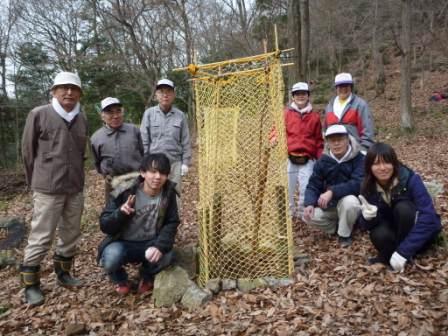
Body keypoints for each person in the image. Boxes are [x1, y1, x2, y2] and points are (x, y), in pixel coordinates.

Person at [20, 71, 88, 306]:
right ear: (54, 91)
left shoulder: (82, 117)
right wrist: (35, 182)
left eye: (74, 88)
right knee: (41, 236)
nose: (69, 92)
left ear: (79, 93)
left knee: (70, 233)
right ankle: (31, 284)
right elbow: (28, 152)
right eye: (64, 88)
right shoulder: (39, 114)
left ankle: (64, 274)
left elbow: (81, 152)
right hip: (48, 188)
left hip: (74, 186)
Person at [97, 153, 180, 295]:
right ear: (143, 173)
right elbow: (105, 225)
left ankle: (147, 275)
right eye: (153, 172)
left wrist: (160, 246)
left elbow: (171, 223)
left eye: (162, 173)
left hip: (150, 242)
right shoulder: (125, 191)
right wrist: (120, 213)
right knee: (111, 257)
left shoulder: (168, 193)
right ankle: (120, 279)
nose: (157, 177)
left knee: (167, 255)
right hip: (123, 242)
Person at [358, 142, 442, 272]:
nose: (382, 168)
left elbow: (429, 217)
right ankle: (389, 256)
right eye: (376, 164)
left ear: (394, 163)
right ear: (369, 167)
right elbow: (365, 226)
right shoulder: (368, 186)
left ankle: (404, 254)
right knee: (378, 233)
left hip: (416, 233)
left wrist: (403, 252)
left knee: (404, 208)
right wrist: (367, 218)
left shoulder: (410, 179)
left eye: (387, 162)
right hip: (394, 230)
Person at [303, 124, 364, 247]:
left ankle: (344, 235)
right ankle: (338, 226)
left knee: (350, 202)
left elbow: (357, 184)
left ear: (347, 140)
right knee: (308, 216)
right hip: (331, 206)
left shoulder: (359, 158)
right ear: (327, 143)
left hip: (352, 203)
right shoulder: (323, 161)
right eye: (332, 140)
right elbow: (313, 184)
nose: (336, 143)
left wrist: (332, 191)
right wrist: (309, 203)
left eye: (340, 139)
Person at [140, 79, 191, 198]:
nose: (165, 95)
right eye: (161, 91)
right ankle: (155, 217)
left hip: (174, 164)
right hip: (154, 165)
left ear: (174, 95)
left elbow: (185, 140)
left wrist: (185, 163)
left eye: (168, 91)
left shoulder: (180, 115)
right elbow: (144, 140)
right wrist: (144, 162)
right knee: (154, 196)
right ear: (156, 95)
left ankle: (174, 217)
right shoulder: (149, 114)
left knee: (174, 196)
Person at [91, 97, 144, 203]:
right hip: (113, 182)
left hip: (135, 180)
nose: (115, 116)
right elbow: (97, 162)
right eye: (110, 112)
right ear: (102, 116)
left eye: (118, 111)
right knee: (114, 213)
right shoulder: (96, 138)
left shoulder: (134, 130)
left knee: (138, 211)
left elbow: (143, 152)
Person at [284, 82, 323, 218]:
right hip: (290, 157)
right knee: (288, 187)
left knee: (305, 187)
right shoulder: (286, 114)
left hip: (308, 158)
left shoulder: (315, 117)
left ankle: (303, 213)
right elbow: (276, 131)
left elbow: (319, 140)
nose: (300, 96)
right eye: (297, 94)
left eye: (303, 94)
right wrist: (273, 140)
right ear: (293, 97)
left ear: (308, 96)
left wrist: (319, 158)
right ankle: (289, 213)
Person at [324, 72, 375, 151]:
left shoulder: (360, 105)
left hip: (355, 152)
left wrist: (363, 150)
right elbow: (325, 130)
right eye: (340, 86)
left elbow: (368, 131)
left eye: (346, 86)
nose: (343, 89)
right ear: (336, 88)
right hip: (333, 153)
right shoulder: (329, 106)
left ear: (351, 87)